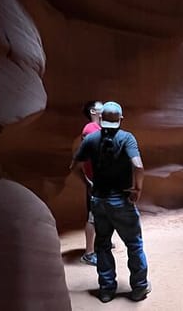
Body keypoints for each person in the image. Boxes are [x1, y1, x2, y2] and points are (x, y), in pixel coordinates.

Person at [70, 101, 151, 303]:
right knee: (134, 244)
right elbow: (138, 166)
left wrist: (88, 182)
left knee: (103, 245)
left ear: (102, 118)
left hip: (99, 201)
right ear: (120, 119)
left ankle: (106, 290)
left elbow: (74, 164)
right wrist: (137, 189)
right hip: (121, 201)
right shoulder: (127, 138)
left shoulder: (91, 138)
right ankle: (139, 288)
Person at [78, 100, 103, 265]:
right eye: (102, 106)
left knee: (102, 213)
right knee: (93, 216)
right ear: (94, 111)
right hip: (95, 180)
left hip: (101, 179)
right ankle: (88, 253)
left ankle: (99, 243)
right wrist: (88, 180)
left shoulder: (99, 129)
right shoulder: (90, 129)